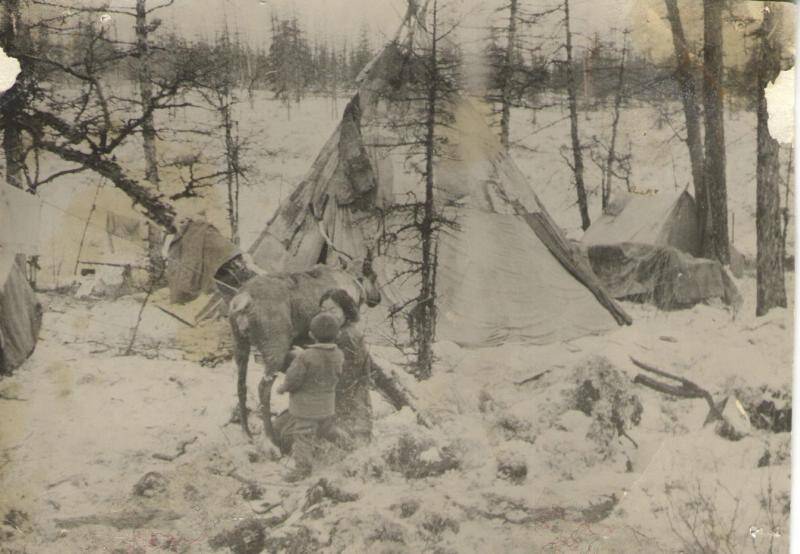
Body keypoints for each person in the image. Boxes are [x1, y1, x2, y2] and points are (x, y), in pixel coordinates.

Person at [275, 311, 345, 482]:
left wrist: (283, 388)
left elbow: (294, 378)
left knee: (303, 437)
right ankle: (348, 445)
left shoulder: (305, 357)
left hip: (306, 408)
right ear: (338, 334)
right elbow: (336, 372)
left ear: (311, 335)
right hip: (327, 404)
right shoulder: (339, 354)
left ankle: (302, 469)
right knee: (328, 429)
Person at [319, 288, 374, 446]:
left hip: (350, 409)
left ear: (345, 311)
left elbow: (345, 377)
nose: (327, 315)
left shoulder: (346, 336)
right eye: (323, 310)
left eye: (332, 310)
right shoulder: (339, 333)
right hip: (348, 406)